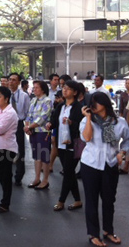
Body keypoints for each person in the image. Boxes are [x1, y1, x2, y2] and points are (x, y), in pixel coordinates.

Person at [80, 92, 129, 247]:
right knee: (91, 200)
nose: (92, 105)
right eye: (91, 102)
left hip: (110, 164)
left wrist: (122, 152)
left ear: (105, 103)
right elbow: (86, 138)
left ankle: (108, 231)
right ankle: (93, 234)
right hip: (91, 164)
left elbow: (128, 140)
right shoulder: (87, 121)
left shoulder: (119, 122)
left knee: (109, 201)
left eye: (96, 102)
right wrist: (88, 118)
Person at [48, 80, 83, 212]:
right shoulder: (61, 106)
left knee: (68, 172)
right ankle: (78, 200)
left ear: (74, 92)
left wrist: (70, 122)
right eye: (64, 88)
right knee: (69, 173)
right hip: (61, 144)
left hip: (74, 144)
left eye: (68, 89)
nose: (64, 90)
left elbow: (81, 126)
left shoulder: (79, 108)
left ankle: (61, 201)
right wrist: (50, 125)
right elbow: (54, 120)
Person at [25, 80, 53, 190]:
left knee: (44, 156)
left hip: (43, 131)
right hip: (33, 131)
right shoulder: (33, 100)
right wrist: (27, 126)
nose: (34, 89)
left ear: (43, 89)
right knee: (36, 156)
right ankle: (37, 178)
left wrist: (29, 127)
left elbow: (43, 117)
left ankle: (45, 180)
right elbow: (28, 115)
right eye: (34, 87)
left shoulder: (47, 101)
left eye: (36, 87)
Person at [7, 72, 30, 186]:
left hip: (19, 123)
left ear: (19, 82)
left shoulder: (24, 96)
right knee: (7, 150)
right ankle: (7, 174)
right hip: (6, 125)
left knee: (20, 151)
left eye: (14, 80)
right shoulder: (4, 94)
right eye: (10, 79)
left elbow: (27, 112)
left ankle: (19, 175)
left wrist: (27, 125)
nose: (11, 82)